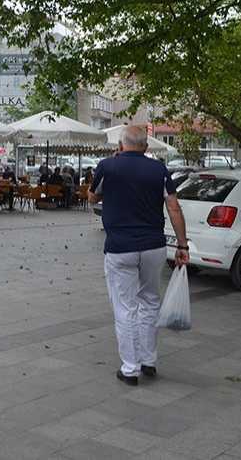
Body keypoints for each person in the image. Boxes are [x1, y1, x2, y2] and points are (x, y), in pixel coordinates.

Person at [89, 125, 189, 387]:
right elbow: (174, 208)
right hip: (154, 247)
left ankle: (130, 368)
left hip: (120, 248)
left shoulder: (107, 166)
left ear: (121, 146)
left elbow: (92, 197)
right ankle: (149, 360)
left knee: (125, 308)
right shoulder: (159, 170)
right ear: (146, 147)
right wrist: (182, 245)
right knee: (150, 302)